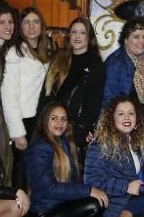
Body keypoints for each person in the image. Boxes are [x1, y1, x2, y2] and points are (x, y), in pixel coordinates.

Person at [24, 101, 105, 217]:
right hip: (42, 213)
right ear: (45, 120)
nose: (59, 123)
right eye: (54, 118)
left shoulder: (65, 142)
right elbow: (48, 189)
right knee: (93, 204)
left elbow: (74, 178)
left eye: (63, 119)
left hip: (56, 206)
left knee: (99, 198)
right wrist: (88, 190)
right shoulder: (40, 147)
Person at [82, 95, 144, 217]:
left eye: (131, 113)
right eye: (120, 113)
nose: (127, 117)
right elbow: (91, 181)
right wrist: (125, 186)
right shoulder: (100, 145)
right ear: (111, 118)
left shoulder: (137, 141)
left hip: (134, 206)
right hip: (112, 210)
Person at [2, 7, 52, 187]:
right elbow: (8, 95)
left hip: (39, 118)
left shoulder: (45, 50)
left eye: (36, 22)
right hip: (23, 120)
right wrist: (17, 133)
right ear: (20, 27)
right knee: (21, 168)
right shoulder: (15, 53)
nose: (32, 27)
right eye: (27, 22)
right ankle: (19, 211)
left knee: (37, 167)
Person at [44, 16, 104, 154]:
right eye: (74, 32)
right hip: (52, 125)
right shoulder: (59, 58)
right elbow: (48, 94)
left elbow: (93, 104)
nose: (77, 36)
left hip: (74, 129)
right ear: (69, 35)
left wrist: (79, 134)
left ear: (89, 37)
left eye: (82, 33)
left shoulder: (95, 64)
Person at [102, 19, 144, 108]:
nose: (141, 41)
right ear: (125, 40)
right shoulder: (116, 62)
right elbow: (109, 101)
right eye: (136, 37)